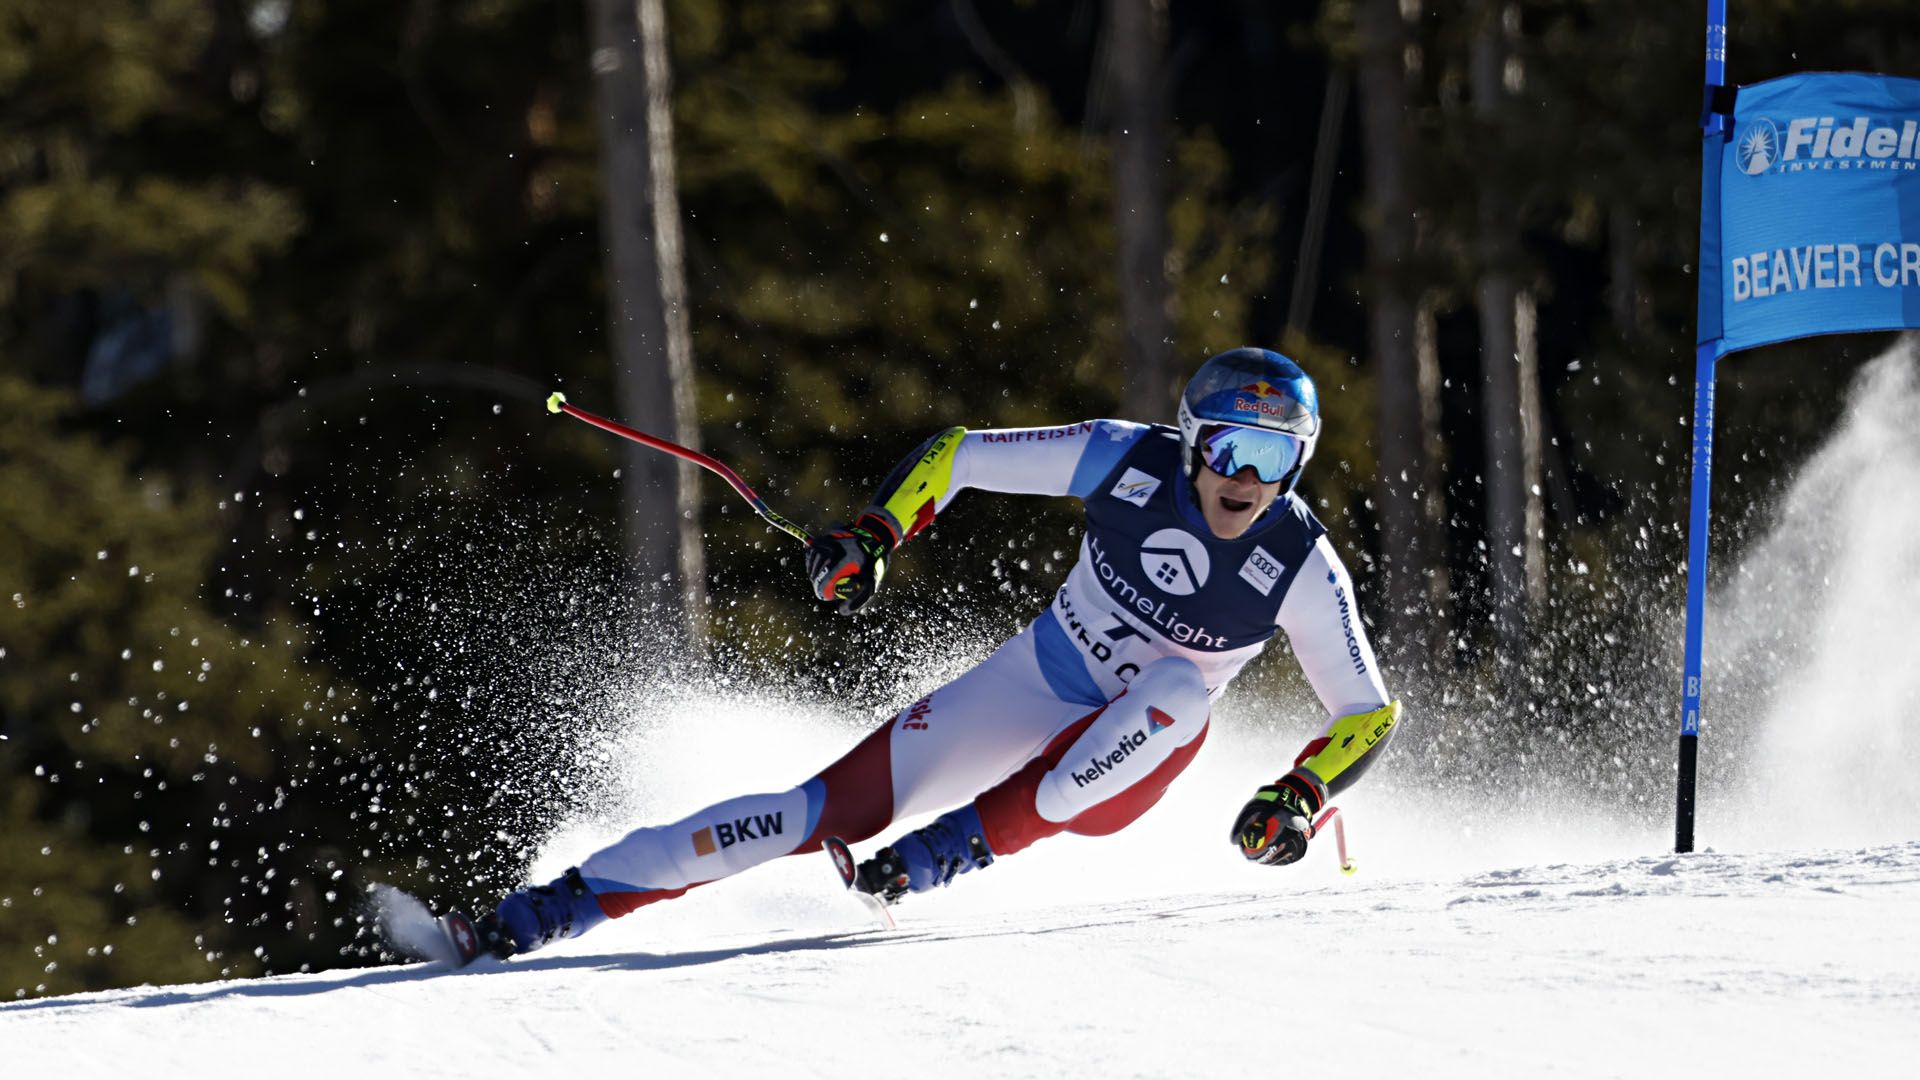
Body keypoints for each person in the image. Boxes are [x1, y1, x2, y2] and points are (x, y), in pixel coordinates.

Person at [438, 347, 1402, 964]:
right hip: (1037, 681)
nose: (1246, 480)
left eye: (1277, 460)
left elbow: (1369, 708)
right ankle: (548, 911)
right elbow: (961, 452)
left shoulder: (1300, 565)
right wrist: (873, 535)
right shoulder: (1125, 459)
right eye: (1233, 448)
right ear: (1192, 439)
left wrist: (1301, 794)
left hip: (1133, 755)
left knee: (1177, 693)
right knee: (807, 812)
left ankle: (949, 853)